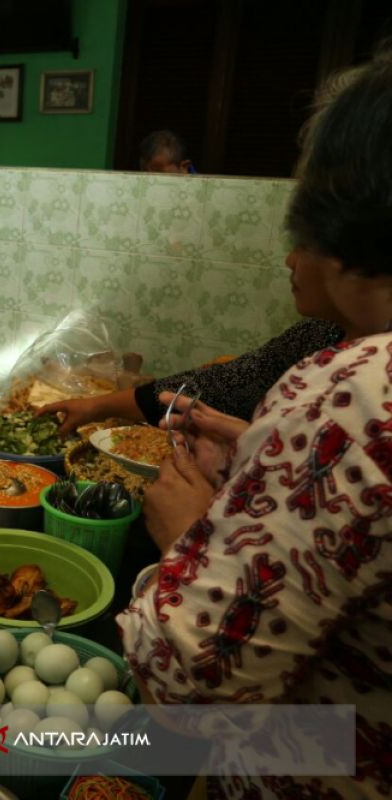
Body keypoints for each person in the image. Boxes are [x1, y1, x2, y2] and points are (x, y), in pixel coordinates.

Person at [119, 58, 392, 798]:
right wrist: (260, 452)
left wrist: (185, 535)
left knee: (11, 739)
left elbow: (190, 680)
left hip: (321, 770)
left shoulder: (351, 388)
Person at [39, 317, 344, 435]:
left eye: (306, 245)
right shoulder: (317, 333)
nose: (291, 259)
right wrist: (95, 406)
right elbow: (225, 383)